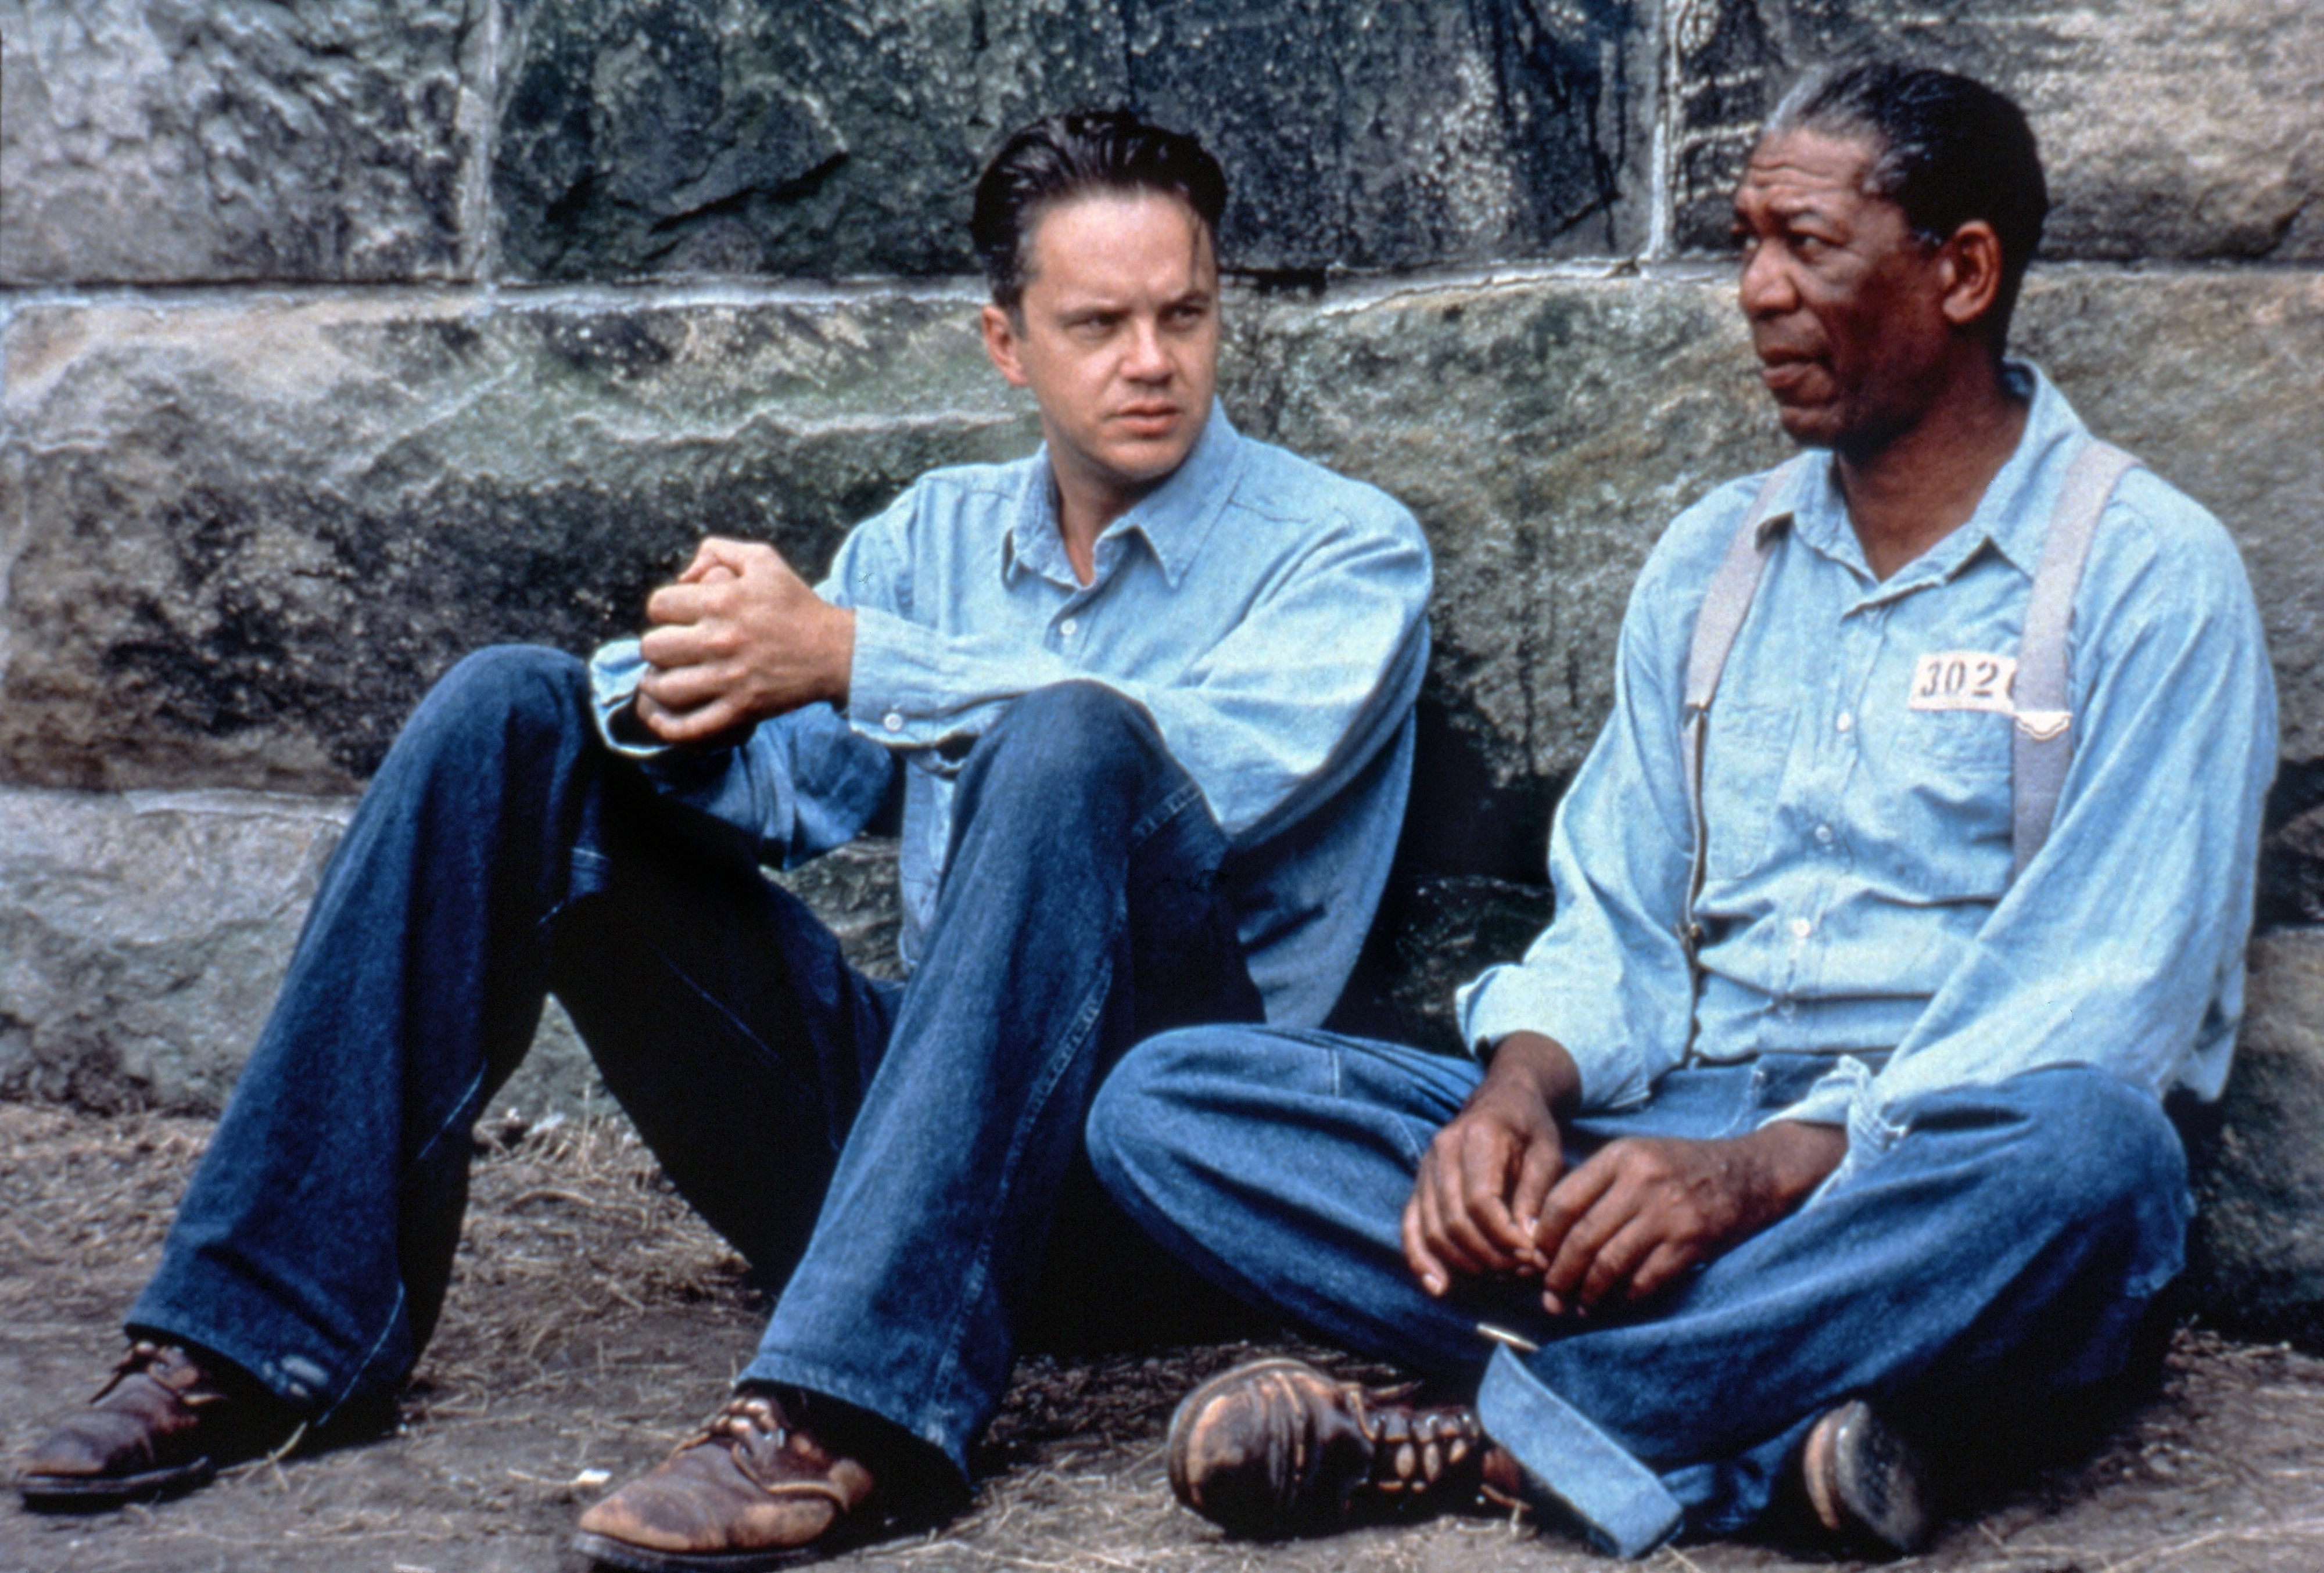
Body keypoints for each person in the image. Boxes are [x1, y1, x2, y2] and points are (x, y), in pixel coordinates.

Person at [15, 108, 1432, 1572]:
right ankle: (257, 1342)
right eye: (1099, 323)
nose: (1151, 361)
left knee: (1074, 737)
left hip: (1163, 1180)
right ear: (1005, 344)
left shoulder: (1345, 548)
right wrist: (686, 682)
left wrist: (846, 655)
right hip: (906, 1160)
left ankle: (842, 1414)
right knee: (515, 706)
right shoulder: (932, 541)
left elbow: (1218, 760)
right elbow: (779, 792)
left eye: (1182, 315)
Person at [1087, 62, 2276, 1558]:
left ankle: (1494, 1431)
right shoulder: (1714, 560)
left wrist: (1768, 1170)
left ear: (1961, 270)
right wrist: (1516, 1095)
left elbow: (2099, 1005)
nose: (1756, 293)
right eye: (1741, 244)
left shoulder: (2145, 577)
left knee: (2097, 1165)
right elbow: (1620, 912)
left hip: (1914, 1169)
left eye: (1806, 245)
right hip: (1660, 1149)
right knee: (1168, 1100)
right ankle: (1782, 1422)